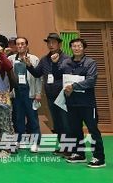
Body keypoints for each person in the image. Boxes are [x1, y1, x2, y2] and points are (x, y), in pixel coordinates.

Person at [62, 38, 106, 168]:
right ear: (71, 48)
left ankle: (99, 157)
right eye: (74, 46)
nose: (76, 48)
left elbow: (91, 80)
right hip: (71, 102)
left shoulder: (90, 62)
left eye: (79, 46)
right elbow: (62, 78)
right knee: (75, 129)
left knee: (93, 130)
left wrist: (74, 86)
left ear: (84, 48)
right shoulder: (66, 63)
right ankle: (79, 154)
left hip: (87, 103)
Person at [25, 32, 69, 154]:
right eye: (49, 43)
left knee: (66, 122)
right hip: (50, 96)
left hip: (63, 96)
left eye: (53, 42)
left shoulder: (66, 59)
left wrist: (56, 63)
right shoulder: (44, 59)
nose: (51, 45)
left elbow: (66, 74)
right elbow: (37, 74)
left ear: (59, 44)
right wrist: (29, 66)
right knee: (57, 123)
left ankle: (70, 148)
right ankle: (63, 146)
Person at [7, 37, 41, 153]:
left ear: (26, 45)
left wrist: (38, 93)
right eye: (18, 44)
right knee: (18, 118)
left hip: (29, 92)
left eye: (22, 44)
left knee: (33, 118)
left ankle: (35, 142)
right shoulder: (11, 59)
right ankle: (19, 140)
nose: (20, 46)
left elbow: (38, 77)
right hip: (17, 93)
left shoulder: (34, 59)